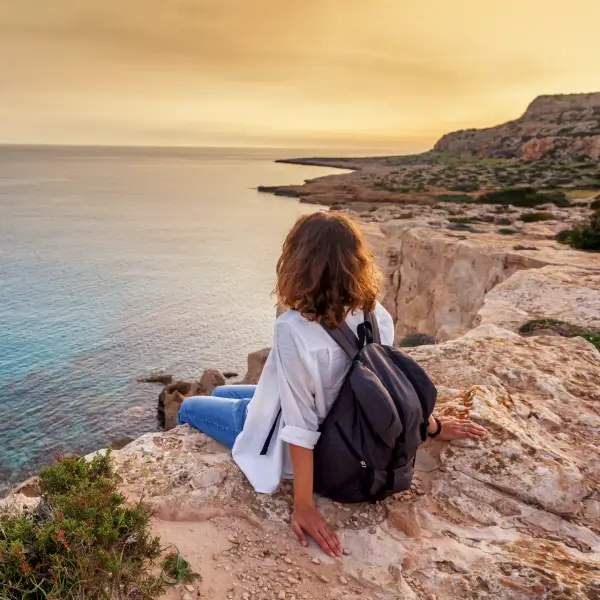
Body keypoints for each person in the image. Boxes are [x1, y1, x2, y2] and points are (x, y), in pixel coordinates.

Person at [178, 212, 487, 558]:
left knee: (189, 407)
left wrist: (304, 506)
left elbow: (300, 425)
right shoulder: (375, 314)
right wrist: (433, 426)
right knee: (221, 391)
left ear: (298, 263)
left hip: (317, 445)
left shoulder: (294, 328)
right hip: (346, 422)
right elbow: (389, 383)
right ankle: (230, 405)